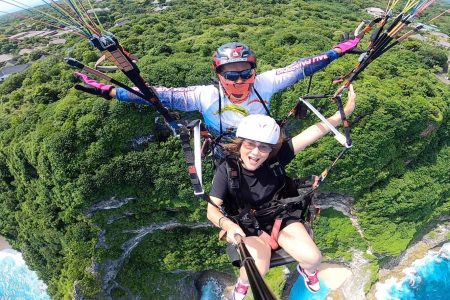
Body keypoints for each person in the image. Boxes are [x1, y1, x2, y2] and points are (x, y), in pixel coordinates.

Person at [206, 85, 356, 299]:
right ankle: (243, 282)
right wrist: (228, 225)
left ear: (271, 149)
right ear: (241, 144)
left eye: (264, 147)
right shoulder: (227, 170)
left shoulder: (276, 160)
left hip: (281, 217)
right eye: (250, 144)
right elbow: (212, 209)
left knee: (313, 258)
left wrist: (343, 113)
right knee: (255, 270)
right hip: (248, 226)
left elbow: (313, 132)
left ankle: (307, 271)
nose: (256, 152)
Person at [75, 38, 361, 139]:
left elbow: (302, 67)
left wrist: (336, 51)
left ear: (254, 72)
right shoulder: (206, 95)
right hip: (227, 146)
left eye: (245, 74)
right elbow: (155, 95)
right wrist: (110, 91)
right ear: (218, 75)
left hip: (261, 142)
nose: (239, 81)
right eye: (230, 75)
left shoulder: (265, 82)